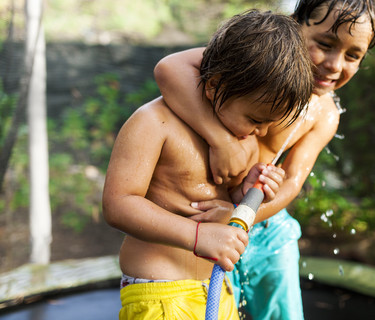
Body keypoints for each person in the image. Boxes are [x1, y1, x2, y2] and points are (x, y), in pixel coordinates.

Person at [153, 0, 375, 319]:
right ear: (295, 24)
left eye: (352, 55)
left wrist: (241, 216)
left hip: (265, 225)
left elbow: (290, 182)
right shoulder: (257, 65)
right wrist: (220, 139)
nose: (334, 64)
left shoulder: (325, 114)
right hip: (211, 219)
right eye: (325, 44)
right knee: (213, 308)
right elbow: (169, 68)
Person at [102, 10, 313, 320]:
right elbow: (117, 204)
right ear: (214, 86)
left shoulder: (241, 140)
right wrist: (198, 236)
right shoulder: (154, 123)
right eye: (255, 120)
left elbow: (220, 203)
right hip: (161, 295)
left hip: (217, 290)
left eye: (269, 124)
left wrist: (245, 193)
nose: (262, 133)